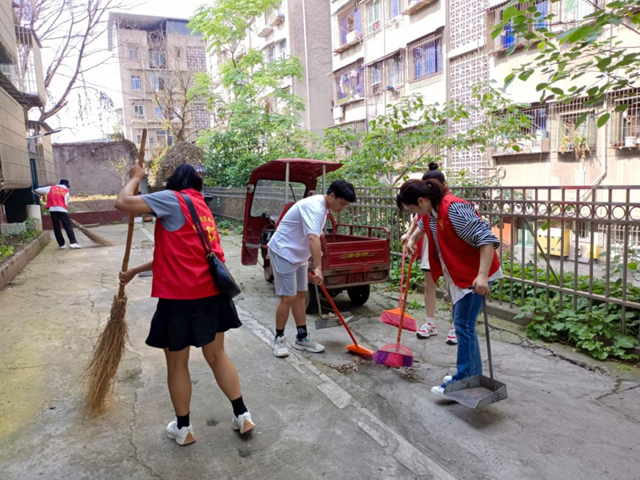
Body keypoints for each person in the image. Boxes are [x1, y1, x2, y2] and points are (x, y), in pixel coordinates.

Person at [115, 164, 254, 446]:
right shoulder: (201, 206)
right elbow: (177, 254)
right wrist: (133, 271)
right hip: (213, 296)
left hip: (179, 300)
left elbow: (123, 203)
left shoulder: (172, 199)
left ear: (173, 185)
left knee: (177, 365)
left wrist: (136, 178)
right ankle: (243, 415)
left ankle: (183, 428)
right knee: (217, 356)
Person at [398, 178, 503, 398]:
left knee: (463, 325)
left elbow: (487, 239)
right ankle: (471, 374)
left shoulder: (454, 208)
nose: (414, 213)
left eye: (412, 207)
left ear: (421, 200)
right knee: (463, 324)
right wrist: (412, 239)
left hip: (476, 273)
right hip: (460, 272)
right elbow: (423, 224)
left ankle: (464, 378)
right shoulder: (431, 210)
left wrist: (482, 276)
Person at [267, 180, 356, 358]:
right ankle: (278, 338)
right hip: (284, 251)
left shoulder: (324, 208)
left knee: (301, 295)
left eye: (346, 205)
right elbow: (313, 239)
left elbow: (316, 237)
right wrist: (318, 269)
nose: (342, 208)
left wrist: (314, 264)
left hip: (298, 254)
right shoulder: (315, 207)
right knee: (289, 297)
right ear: (331, 195)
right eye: (342, 203)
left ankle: (302, 338)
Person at [401, 163, 457, 344]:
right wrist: (410, 237)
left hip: (448, 250)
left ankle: (457, 325)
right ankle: (430, 323)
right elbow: (420, 221)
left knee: (454, 288)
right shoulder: (423, 204)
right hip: (429, 247)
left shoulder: (449, 205)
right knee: (429, 285)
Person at [35, 179, 81, 249]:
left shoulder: (51, 188)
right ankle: (73, 243)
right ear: (66, 186)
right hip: (62, 210)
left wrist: (43, 195)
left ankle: (61, 244)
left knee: (56, 227)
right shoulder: (66, 191)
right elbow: (66, 203)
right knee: (68, 226)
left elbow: (37, 190)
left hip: (52, 210)